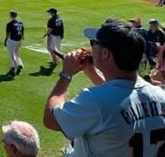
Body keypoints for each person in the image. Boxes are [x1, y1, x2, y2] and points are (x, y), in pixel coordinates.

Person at [43, 19, 165, 156]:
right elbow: (120, 98)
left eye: (93, 43)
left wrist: (66, 74)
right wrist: (91, 72)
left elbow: (50, 119)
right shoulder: (160, 96)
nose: (90, 48)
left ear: (105, 54)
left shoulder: (94, 100)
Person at [4, 10, 25, 76]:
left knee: (12, 55)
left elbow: (8, 34)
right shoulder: (20, 23)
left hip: (12, 41)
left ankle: (15, 68)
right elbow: (22, 32)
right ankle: (20, 64)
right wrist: (22, 37)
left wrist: (5, 40)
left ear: (10, 16)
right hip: (19, 40)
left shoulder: (9, 24)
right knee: (16, 53)